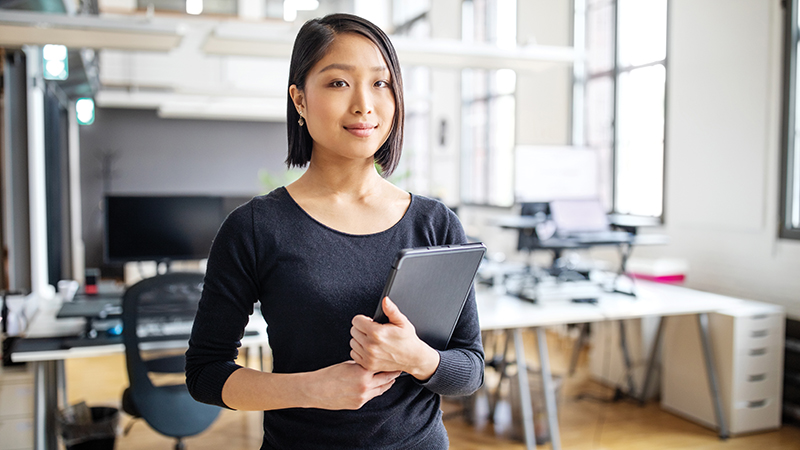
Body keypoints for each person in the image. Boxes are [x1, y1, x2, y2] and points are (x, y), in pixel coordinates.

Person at [185, 13, 484, 449]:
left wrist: (417, 358)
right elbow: (206, 373)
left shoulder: (435, 224)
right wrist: (309, 389)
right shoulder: (254, 228)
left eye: (381, 84)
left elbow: (470, 369)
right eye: (338, 83)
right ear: (300, 100)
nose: (364, 103)